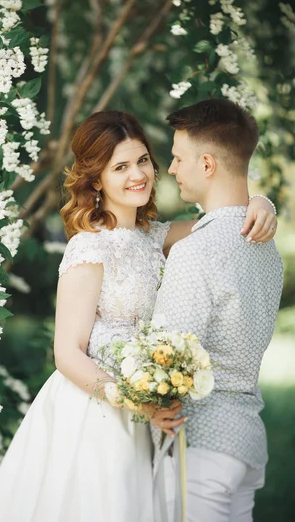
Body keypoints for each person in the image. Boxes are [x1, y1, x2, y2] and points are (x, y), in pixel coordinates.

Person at [0, 110, 277, 522]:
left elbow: (223, 222)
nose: (139, 174)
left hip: (153, 414)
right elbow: (66, 353)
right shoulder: (90, 247)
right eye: (120, 167)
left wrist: (262, 202)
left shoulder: (154, 237)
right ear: (96, 179)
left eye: (143, 161)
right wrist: (136, 403)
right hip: (99, 413)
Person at [152, 99, 283, 522]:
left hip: (203, 443)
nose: (171, 169)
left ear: (207, 164)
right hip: (246, 441)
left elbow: (167, 356)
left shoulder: (196, 252)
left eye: (177, 158)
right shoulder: (268, 249)